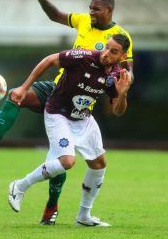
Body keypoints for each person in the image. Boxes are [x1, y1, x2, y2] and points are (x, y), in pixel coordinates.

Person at [0, 0, 134, 225]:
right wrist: (41, 0)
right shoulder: (83, 32)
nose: (91, 12)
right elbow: (55, 19)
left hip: (82, 108)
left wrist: (122, 92)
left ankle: (65, 211)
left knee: (86, 162)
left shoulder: (121, 39)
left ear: (109, 10)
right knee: (17, 96)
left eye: (96, 9)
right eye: (90, 8)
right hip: (59, 91)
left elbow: (126, 75)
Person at [7, 34, 132, 227]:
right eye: (106, 47)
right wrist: (24, 87)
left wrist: (123, 94)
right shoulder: (83, 56)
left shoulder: (116, 76)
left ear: (123, 56)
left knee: (99, 163)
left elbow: (118, 111)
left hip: (83, 118)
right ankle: (20, 186)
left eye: (113, 51)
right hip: (58, 113)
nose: (106, 53)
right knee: (67, 161)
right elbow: (49, 60)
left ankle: (83, 216)